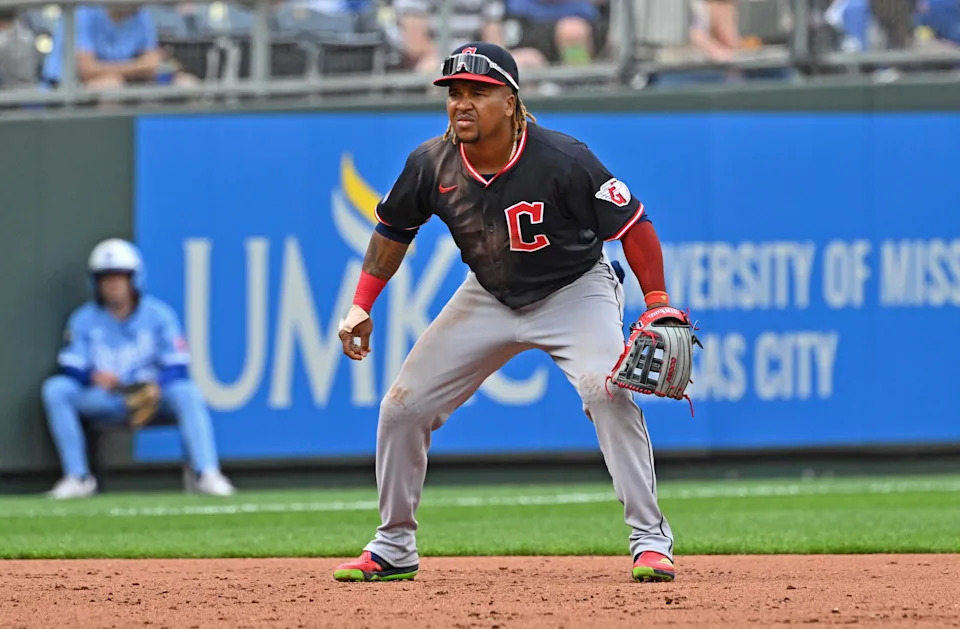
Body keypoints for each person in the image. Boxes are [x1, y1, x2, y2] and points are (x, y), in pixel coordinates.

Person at [333, 42, 687, 583]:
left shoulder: (564, 158)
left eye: (479, 92)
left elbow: (633, 224)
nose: (462, 103)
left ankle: (649, 541)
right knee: (402, 408)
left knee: (605, 392)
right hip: (488, 296)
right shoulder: (431, 163)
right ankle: (394, 544)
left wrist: (657, 302)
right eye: (455, 93)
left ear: (511, 102)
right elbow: (392, 231)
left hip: (575, 291)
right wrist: (361, 304)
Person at [42, 238, 235, 500]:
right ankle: (78, 477)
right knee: (56, 390)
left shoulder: (159, 315)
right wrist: (93, 376)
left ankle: (206, 473)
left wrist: (159, 384)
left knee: (186, 392)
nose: (112, 284)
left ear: (135, 279)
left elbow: (178, 364)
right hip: (107, 399)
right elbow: (70, 365)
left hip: (152, 396)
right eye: (105, 278)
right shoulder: (84, 319)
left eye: (120, 277)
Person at [42, 6, 195, 90]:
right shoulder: (83, 11)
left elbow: (151, 64)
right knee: (110, 86)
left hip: (127, 85)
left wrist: (154, 67)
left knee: (186, 84)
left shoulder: (142, 14)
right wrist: (139, 67)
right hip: (66, 90)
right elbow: (87, 70)